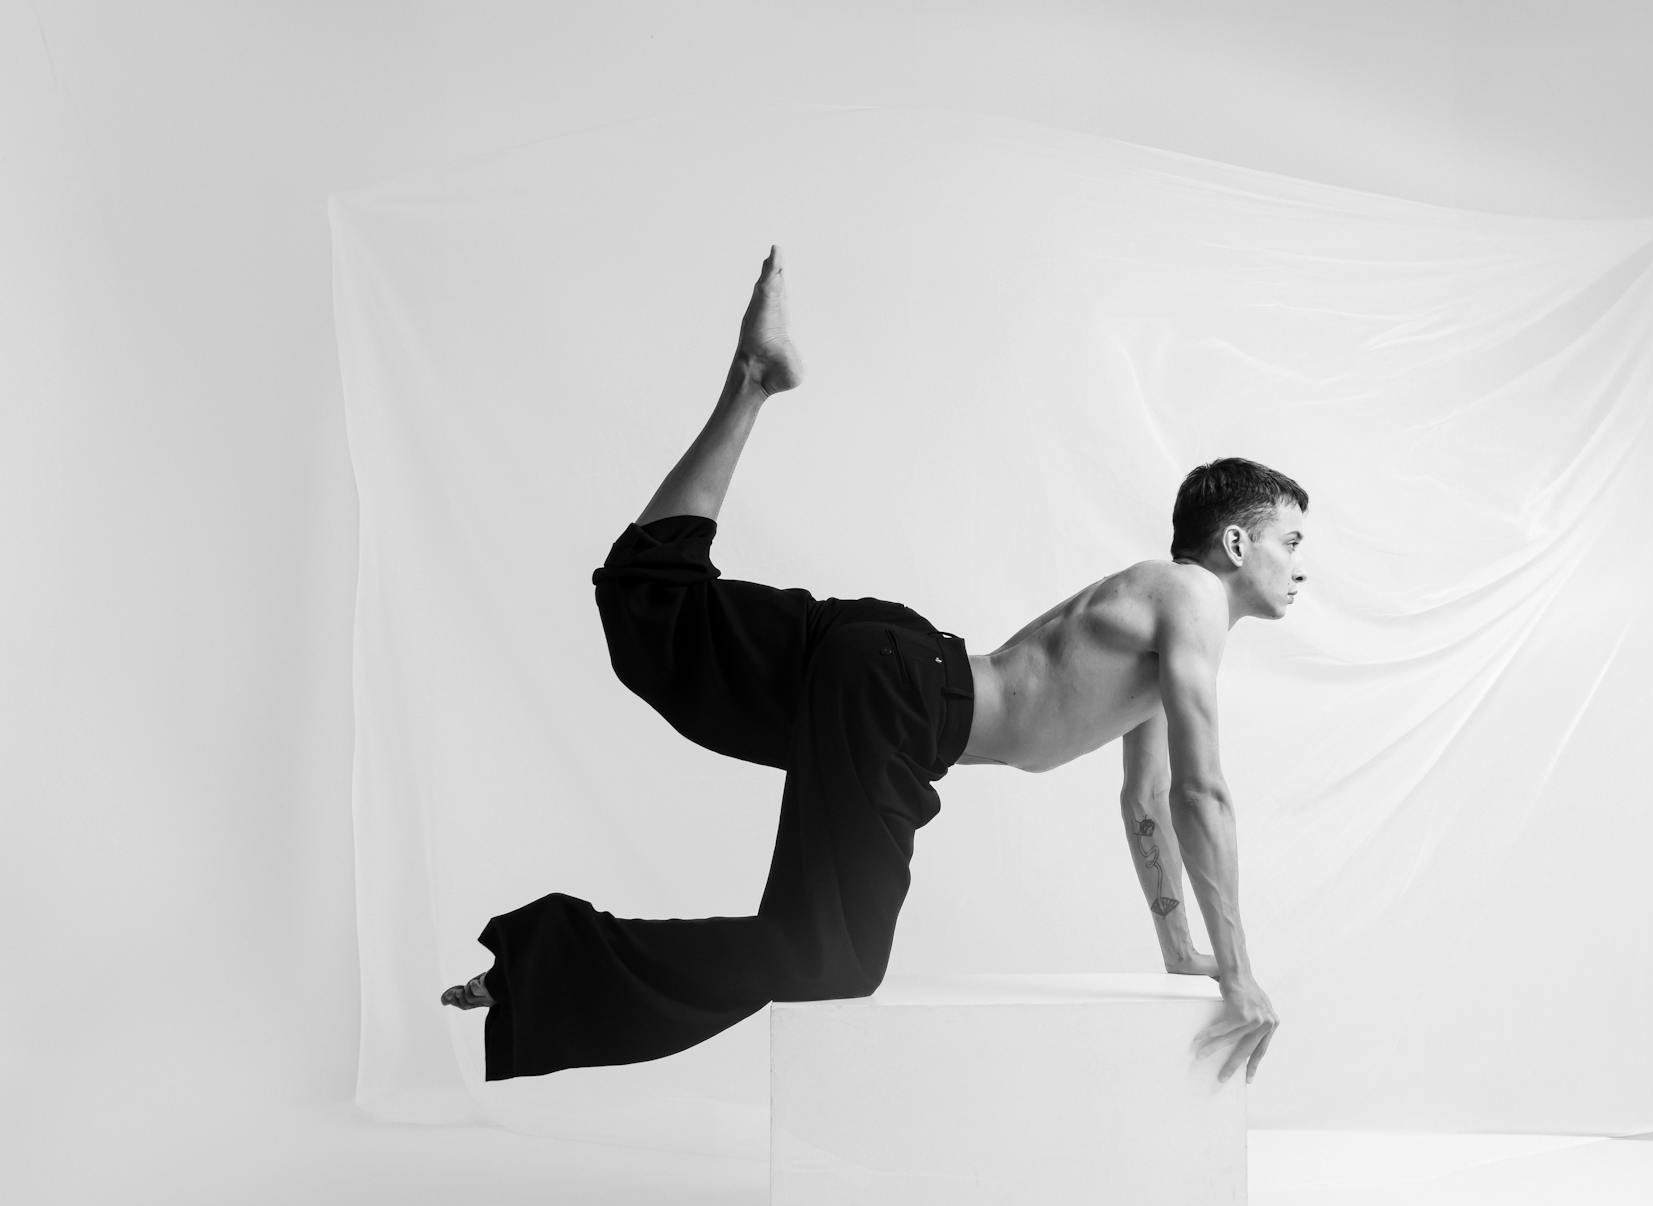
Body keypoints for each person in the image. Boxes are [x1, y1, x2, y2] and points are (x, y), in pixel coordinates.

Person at [444, 246, 1297, 1087]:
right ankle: (542, 963)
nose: (1300, 568)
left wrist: (1180, 946)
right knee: (831, 960)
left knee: (654, 621)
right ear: (1233, 542)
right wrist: (1238, 968)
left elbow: (1147, 801)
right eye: (1289, 542)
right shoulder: (1189, 597)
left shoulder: (1160, 617)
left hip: (884, 669)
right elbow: (1202, 792)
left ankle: (753, 379)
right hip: (900, 698)